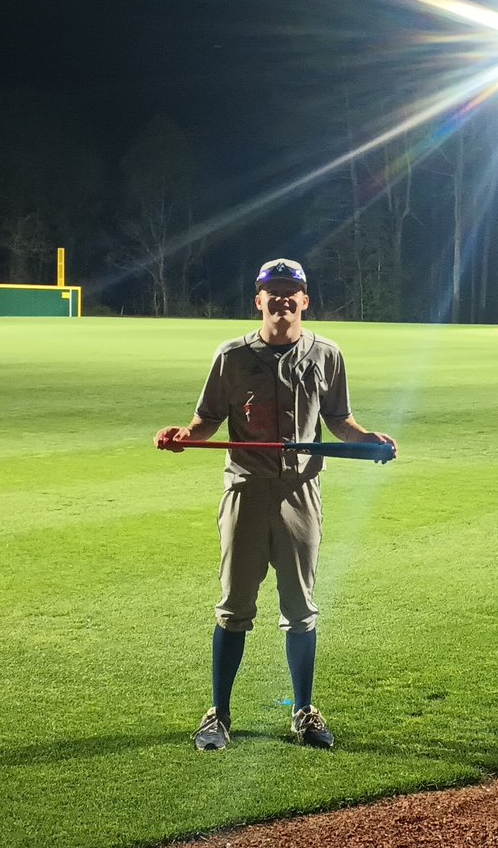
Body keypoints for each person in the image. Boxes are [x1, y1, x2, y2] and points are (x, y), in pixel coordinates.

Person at [153, 257, 396, 752]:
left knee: (301, 609)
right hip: (245, 491)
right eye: (273, 291)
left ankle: (303, 711)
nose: (282, 299)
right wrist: (184, 436)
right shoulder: (231, 356)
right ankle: (218, 714)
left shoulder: (327, 355)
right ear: (258, 300)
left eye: (292, 291)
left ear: (305, 300)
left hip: (300, 494)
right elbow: (205, 420)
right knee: (234, 607)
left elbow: (340, 421)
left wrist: (368, 439)